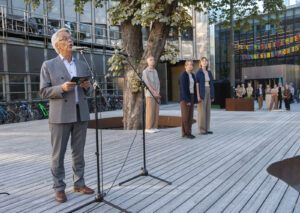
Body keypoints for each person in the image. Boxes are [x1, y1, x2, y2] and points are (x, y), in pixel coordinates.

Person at [39, 28, 94, 203]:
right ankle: (59, 188)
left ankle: (79, 183)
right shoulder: (48, 65)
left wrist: (87, 87)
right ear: (57, 45)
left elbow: (90, 90)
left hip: (80, 114)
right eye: (65, 38)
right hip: (60, 116)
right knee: (58, 154)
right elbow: (43, 91)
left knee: (79, 152)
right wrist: (61, 88)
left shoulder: (82, 64)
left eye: (70, 38)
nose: (70, 41)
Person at [196, 57, 215, 135]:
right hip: (202, 92)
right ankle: (202, 129)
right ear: (200, 63)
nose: (204, 62)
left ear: (207, 63)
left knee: (208, 111)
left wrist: (212, 95)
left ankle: (207, 128)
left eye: (206, 61)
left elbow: (212, 84)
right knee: (202, 111)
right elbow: (196, 84)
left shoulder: (209, 72)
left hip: (208, 91)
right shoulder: (198, 72)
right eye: (203, 61)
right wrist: (198, 96)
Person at [142, 56, 161, 134]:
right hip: (150, 94)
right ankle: (148, 127)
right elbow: (147, 83)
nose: (152, 61)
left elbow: (158, 82)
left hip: (156, 94)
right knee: (150, 111)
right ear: (147, 61)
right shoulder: (145, 71)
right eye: (150, 60)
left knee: (156, 111)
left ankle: (154, 126)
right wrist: (153, 92)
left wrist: (158, 92)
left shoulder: (155, 71)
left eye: (153, 59)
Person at [179, 60, 197, 139]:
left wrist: (195, 100)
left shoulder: (192, 75)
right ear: (185, 66)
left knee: (190, 116)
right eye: (188, 65)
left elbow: (194, 88)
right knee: (185, 116)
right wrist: (187, 100)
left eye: (191, 65)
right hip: (185, 98)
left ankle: (186, 132)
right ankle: (187, 133)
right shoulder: (183, 75)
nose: (190, 66)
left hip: (192, 96)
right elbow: (183, 89)